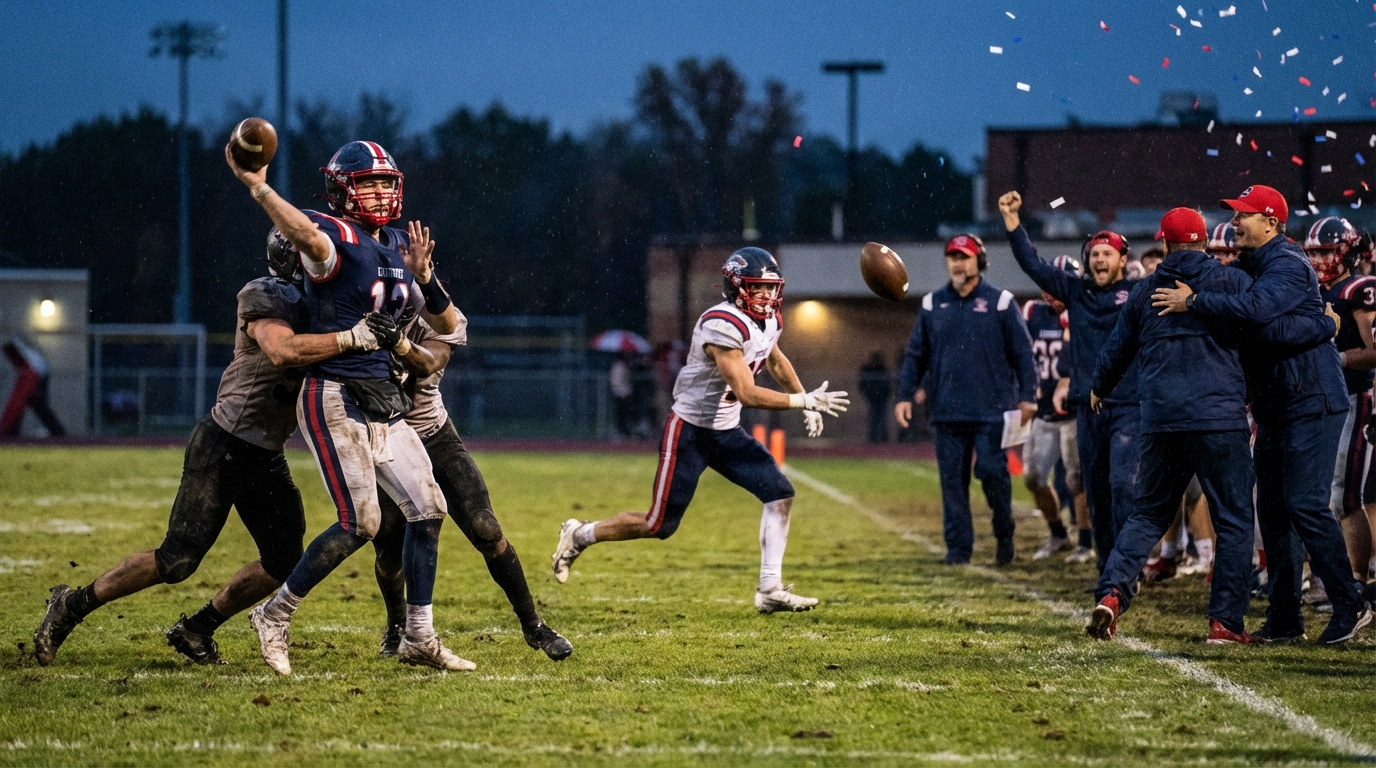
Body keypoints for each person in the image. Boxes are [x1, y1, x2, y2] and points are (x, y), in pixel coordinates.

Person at [32, 229, 339, 666]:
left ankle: (197, 628)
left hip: (266, 451)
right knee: (177, 560)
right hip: (225, 442)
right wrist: (353, 337)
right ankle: (70, 605)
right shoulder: (266, 294)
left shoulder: (321, 307)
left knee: (285, 556)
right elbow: (282, 351)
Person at [225, 139, 473, 674]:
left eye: (387, 182)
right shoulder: (335, 238)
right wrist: (259, 186)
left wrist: (425, 279)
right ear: (342, 191)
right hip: (334, 392)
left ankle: (418, 637)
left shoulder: (397, 249)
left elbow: (452, 329)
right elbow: (306, 235)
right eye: (368, 184)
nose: (381, 192)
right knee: (360, 522)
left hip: (383, 397)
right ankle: (274, 614)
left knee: (429, 511)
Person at [1085, 207, 1337, 643]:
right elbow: (1269, 327)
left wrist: (1098, 387)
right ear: (1205, 242)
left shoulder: (1145, 291)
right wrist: (1324, 324)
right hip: (1219, 419)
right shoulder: (1234, 281)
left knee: (1147, 513)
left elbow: (1116, 350)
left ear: (1164, 244)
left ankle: (1111, 594)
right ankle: (1225, 622)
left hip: (1161, 419)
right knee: (1235, 519)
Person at [550, 248, 848, 612]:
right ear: (737, 287)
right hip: (689, 432)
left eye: (772, 288)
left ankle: (769, 588)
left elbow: (774, 357)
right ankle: (580, 533)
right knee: (659, 524)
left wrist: (801, 394)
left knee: (780, 493)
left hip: (725, 431)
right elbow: (746, 392)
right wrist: (804, 403)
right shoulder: (721, 324)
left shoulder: (768, 320)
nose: (768, 296)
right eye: (759, 288)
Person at [1152, 185, 1372, 644]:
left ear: (1272, 222)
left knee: (1306, 503)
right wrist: (1321, 325)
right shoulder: (1250, 265)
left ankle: (1350, 604)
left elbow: (1254, 312)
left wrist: (1194, 301)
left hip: (1313, 399)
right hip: (1278, 404)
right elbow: (1267, 323)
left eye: (1244, 216)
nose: (1234, 223)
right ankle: (1286, 617)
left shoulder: (1287, 263)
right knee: (1271, 512)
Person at [369, 300, 574, 661]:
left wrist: (397, 343)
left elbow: (426, 363)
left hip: (434, 436)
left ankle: (533, 625)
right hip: (390, 442)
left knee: (486, 528)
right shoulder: (365, 310)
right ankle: (397, 626)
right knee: (388, 547)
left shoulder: (444, 318)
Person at [999, 191, 1140, 571]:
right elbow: (1033, 264)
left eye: (1107, 253)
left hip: (1128, 404)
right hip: (1086, 407)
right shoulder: (1077, 292)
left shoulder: (1137, 294)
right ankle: (1109, 567)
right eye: (1094, 253)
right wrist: (1013, 222)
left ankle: (1128, 563)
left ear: (1123, 260)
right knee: (1096, 492)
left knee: (1124, 485)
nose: (1099, 258)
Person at [894, 234, 1038, 565]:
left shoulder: (1001, 302)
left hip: (993, 410)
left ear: (979, 261)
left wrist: (1028, 395)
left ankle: (1004, 532)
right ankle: (959, 549)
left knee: (992, 473)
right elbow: (916, 354)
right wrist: (904, 394)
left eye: (965, 257)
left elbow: (1023, 353)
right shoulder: (932, 304)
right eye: (953, 257)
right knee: (952, 484)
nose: (958, 263)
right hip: (947, 411)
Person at [1304, 217, 1376, 590]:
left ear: (1346, 252)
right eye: (1313, 252)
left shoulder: (1359, 289)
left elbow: (1375, 349)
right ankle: (1330, 577)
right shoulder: (1318, 290)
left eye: (1326, 252)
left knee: (1346, 496)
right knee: (1322, 495)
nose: (1317, 260)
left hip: (1353, 396)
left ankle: (1357, 579)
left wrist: (1338, 359)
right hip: (1323, 401)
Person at [1020, 255, 1089, 560]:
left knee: (1077, 480)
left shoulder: (1085, 312)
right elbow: (1019, 353)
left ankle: (1086, 541)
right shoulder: (1032, 312)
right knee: (1033, 477)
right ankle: (1059, 534)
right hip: (1042, 410)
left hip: (1075, 411)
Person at [859, 351, 893, 443]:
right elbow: (863, 384)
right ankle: (876, 438)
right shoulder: (872, 369)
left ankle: (879, 438)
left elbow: (887, 385)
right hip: (875, 397)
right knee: (876, 418)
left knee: (878, 418)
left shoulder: (879, 369)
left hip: (879, 397)